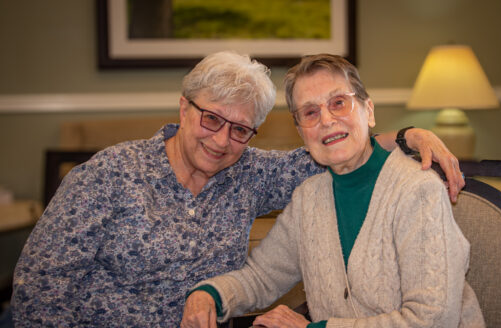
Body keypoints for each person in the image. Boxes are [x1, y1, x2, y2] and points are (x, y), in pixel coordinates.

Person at [11, 52, 463, 327]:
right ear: (184, 108)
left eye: (241, 129)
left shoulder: (251, 173)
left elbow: (341, 146)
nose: (223, 140)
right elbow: (40, 289)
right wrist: (210, 291)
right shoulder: (110, 173)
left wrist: (409, 136)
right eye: (211, 119)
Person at [181, 54, 484, 328]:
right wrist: (210, 294)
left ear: (369, 111)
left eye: (338, 103)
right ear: (301, 132)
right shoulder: (309, 198)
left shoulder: (418, 191)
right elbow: (262, 276)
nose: (326, 120)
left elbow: (433, 320)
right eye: (310, 112)